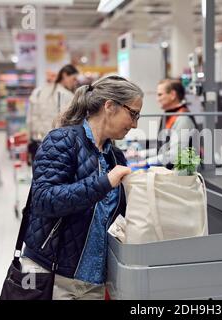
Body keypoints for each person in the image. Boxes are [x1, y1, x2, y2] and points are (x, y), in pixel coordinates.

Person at [20, 75, 144, 300]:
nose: (135, 124)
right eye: (133, 114)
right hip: (52, 275)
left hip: (93, 280)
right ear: (110, 106)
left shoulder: (115, 157)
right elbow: (44, 200)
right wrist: (104, 182)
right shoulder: (62, 141)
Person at [130, 79, 197, 168]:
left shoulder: (183, 120)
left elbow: (175, 155)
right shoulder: (170, 116)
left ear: (173, 95)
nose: (157, 99)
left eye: (160, 95)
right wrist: (141, 153)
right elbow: (164, 150)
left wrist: (147, 162)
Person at [26, 64, 79, 163]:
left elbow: (29, 119)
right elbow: (71, 123)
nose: (75, 82)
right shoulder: (67, 95)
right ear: (64, 75)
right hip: (56, 145)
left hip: (37, 142)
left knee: (37, 174)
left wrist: (28, 140)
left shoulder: (37, 92)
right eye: (74, 78)